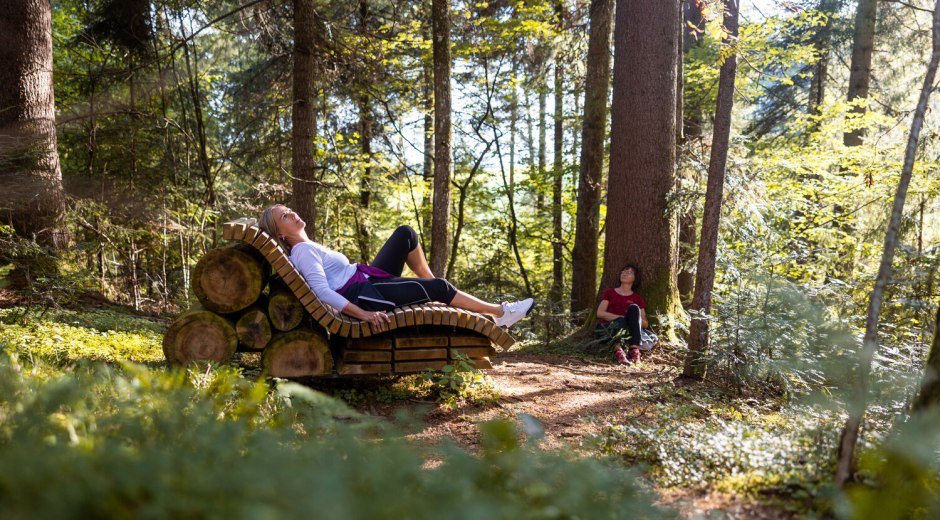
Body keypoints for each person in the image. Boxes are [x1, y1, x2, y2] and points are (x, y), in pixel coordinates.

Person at [258, 204, 534, 333]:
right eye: (285, 216)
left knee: (405, 234)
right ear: (280, 234)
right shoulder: (303, 251)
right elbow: (320, 291)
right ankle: (500, 313)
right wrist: (363, 314)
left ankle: (433, 286)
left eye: (289, 209)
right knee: (439, 289)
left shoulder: (305, 248)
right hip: (364, 294)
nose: (293, 213)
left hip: (364, 280)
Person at [595, 264, 649, 365]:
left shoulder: (637, 298)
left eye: (629, 272)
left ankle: (634, 350)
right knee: (620, 321)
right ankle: (619, 352)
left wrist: (632, 320)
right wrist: (621, 318)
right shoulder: (610, 292)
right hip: (608, 328)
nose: (624, 273)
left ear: (635, 278)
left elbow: (645, 323)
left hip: (629, 332)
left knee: (634, 308)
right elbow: (600, 313)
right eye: (623, 271)